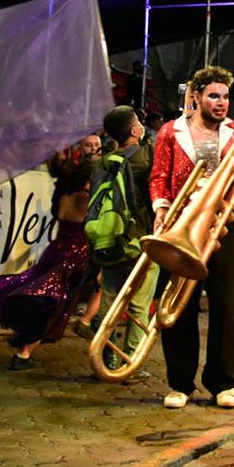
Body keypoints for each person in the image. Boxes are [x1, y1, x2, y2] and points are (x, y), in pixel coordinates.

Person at [150, 66, 234, 410]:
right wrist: (161, 208)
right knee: (179, 305)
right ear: (197, 98)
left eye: (225, 97)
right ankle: (180, 383)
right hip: (182, 225)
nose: (221, 103)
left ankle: (223, 383)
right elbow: (159, 176)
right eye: (214, 96)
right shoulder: (170, 132)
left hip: (225, 226)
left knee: (229, 305)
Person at [0, 151, 94, 370]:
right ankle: (25, 352)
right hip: (72, 255)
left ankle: (26, 347)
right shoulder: (83, 198)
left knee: (43, 295)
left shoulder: (62, 194)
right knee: (52, 304)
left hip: (57, 248)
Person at [92, 106, 158, 365]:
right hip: (139, 238)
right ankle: (131, 361)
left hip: (107, 238)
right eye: (139, 122)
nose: (142, 125)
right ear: (134, 130)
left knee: (109, 300)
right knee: (139, 304)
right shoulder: (146, 156)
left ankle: (105, 356)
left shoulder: (105, 160)